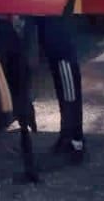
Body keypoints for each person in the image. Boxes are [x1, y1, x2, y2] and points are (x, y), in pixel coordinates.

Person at [34, 14, 85, 160]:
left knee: (69, 95)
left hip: (62, 52)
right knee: (65, 94)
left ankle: (75, 140)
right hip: (53, 44)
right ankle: (67, 137)